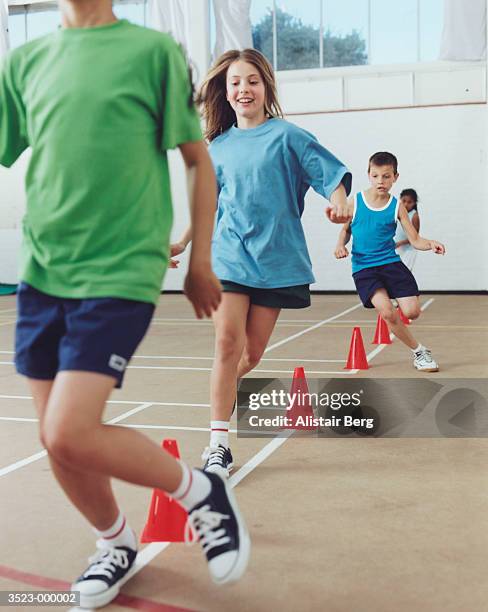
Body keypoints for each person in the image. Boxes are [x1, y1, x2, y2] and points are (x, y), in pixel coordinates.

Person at [0, 1, 250, 608]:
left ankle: (198, 491)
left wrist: (200, 260)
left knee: (68, 428)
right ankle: (115, 544)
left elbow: (199, 163)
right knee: (57, 439)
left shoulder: (150, 52)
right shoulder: (25, 60)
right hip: (42, 269)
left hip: (120, 267)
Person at [171, 48, 352, 478]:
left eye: (252, 80)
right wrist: (182, 242)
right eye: (235, 82)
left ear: (266, 86)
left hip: (276, 260)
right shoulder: (217, 148)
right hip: (229, 256)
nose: (243, 89)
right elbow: (208, 204)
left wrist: (341, 204)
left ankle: (223, 405)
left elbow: (330, 176)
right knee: (226, 344)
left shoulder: (289, 136)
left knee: (248, 356)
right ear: (226, 92)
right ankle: (218, 444)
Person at [334, 152, 445, 372]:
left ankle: (407, 316)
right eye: (375, 176)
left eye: (386, 176)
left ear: (395, 177)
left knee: (412, 312)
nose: (380, 181)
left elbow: (415, 240)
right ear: (368, 175)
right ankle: (419, 352)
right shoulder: (355, 201)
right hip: (364, 268)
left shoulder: (397, 206)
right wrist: (340, 245)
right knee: (386, 312)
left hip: (390, 264)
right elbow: (345, 231)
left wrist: (430, 243)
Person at [395, 188, 420, 271]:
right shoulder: (397, 213)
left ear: (414, 203)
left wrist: (400, 243)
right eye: (404, 201)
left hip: (409, 250)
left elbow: (415, 237)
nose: (406, 204)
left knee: (405, 273)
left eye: (409, 202)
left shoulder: (414, 216)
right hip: (397, 248)